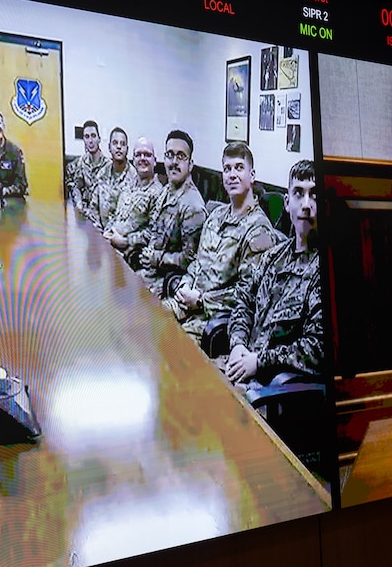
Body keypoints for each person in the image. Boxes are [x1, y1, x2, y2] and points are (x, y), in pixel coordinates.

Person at [164, 141, 280, 338]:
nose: (232, 174)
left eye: (239, 168)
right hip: (184, 304)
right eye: (227, 169)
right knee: (143, 321)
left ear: (252, 175)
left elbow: (249, 293)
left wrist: (201, 300)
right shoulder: (215, 216)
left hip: (210, 320)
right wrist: (185, 284)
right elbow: (197, 263)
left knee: (166, 347)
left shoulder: (259, 231)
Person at [225, 159, 323, 388]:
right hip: (238, 367)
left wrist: (259, 361)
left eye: (314, 195)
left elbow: (317, 347)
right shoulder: (272, 257)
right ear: (287, 203)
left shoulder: (321, 270)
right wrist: (238, 343)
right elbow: (243, 301)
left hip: (272, 389)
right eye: (298, 193)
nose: (306, 205)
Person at [138, 130, 207, 293]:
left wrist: (157, 258)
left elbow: (190, 259)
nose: (174, 162)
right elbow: (153, 229)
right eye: (170, 155)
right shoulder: (166, 191)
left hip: (169, 282)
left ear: (190, 164)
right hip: (150, 272)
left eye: (181, 156)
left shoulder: (193, 207)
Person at [103, 137, 165, 267]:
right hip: (109, 245)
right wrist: (107, 233)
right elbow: (115, 215)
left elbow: (153, 232)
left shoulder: (159, 193)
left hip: (129, 255)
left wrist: (125, 241)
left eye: (147, 155)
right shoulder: (128, 185)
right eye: (138, 155)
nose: (142, 158)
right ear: (133, 160)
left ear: (155, 161)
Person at [91, 126, 135, 228]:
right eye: (115, 143)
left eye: (122, 144)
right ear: (109, 147)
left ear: (127, 149)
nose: (119, 147)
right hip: (100, 233)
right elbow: (94, 208)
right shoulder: (102, 174)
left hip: (122, 235)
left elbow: (134, 218)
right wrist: (98, 231)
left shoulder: (135, 178)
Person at [66, 120, 109, 218]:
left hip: (102, 217)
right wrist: (79, 205)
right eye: (87, 137)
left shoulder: (108, 166)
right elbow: (75, 187)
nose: (90, 141)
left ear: (99, 139)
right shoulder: (79, 164)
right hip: (84, 216)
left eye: (93, 136)